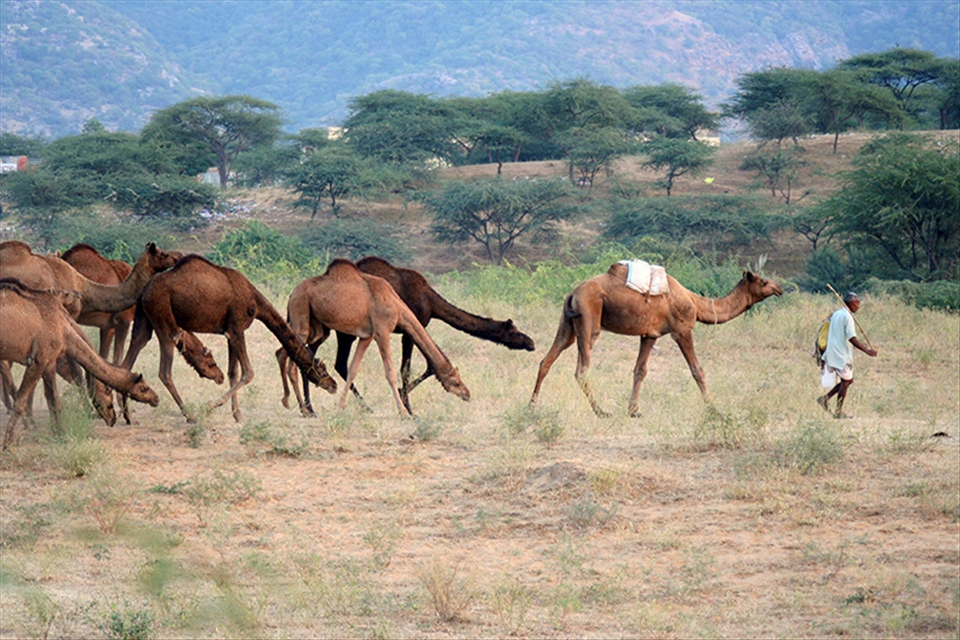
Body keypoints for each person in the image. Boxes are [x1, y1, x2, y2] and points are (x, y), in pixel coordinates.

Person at [818, 292, 878, 418]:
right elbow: (852, 339)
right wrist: (867, 351)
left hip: (832, 351)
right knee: (847, 381)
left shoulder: (836, 314)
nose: (858, 306)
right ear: (851, 303)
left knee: (847, 381)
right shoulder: (847, 317)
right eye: (857, 303)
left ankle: (826, 399)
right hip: (841, 354)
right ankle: (837, 411)